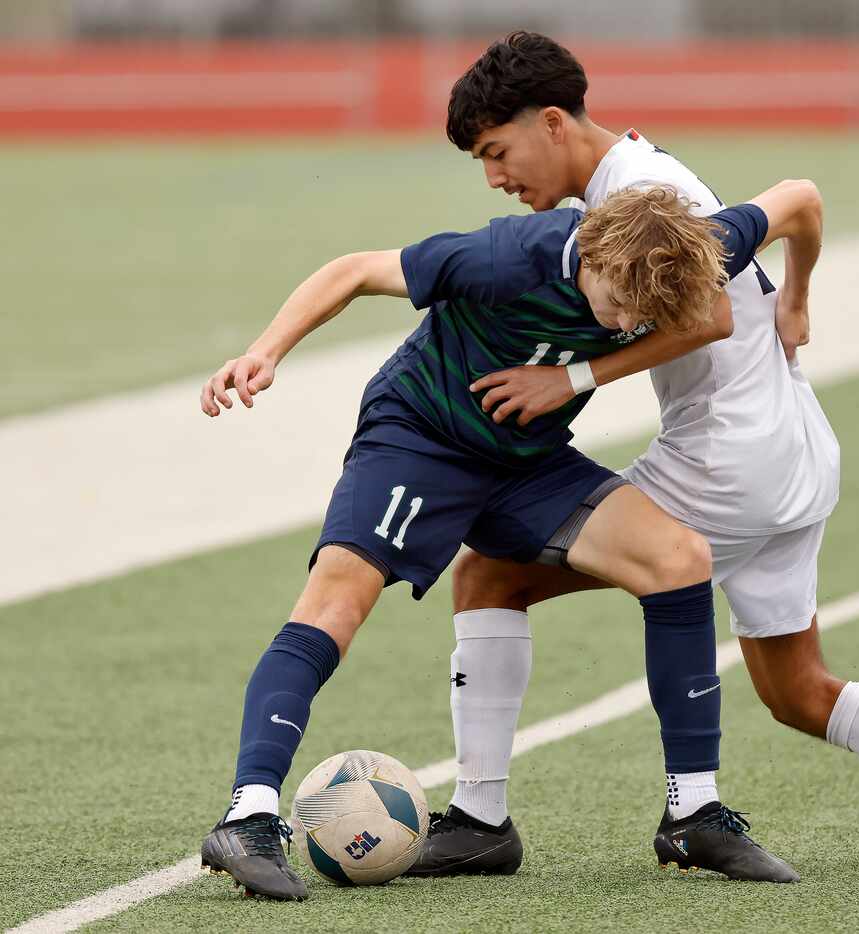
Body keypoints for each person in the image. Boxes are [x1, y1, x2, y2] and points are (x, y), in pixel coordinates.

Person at [410, 31, 859, 879]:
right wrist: (795, 298)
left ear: (552, 122)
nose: (496, 177)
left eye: (498, 153)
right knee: (798, 691)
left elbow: (710, 318)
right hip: (794, 449)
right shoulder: (646, 174)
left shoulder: (639, 192)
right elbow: (800, 199)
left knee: (490, 575)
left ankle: (490, 818)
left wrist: (571, 380)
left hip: (724, 460)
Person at [195, 174, 817, 899]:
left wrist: (791, 299)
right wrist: (266, 352)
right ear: (598, 258)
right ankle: (251, 814)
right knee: (337, 601)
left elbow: (796, 204)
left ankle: (692, 813)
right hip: (422, 439)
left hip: (525, 457)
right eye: (621, 306)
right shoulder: (505, 258)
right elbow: (356, 270)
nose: (628, 322)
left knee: (679, 559)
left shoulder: (686, 252)